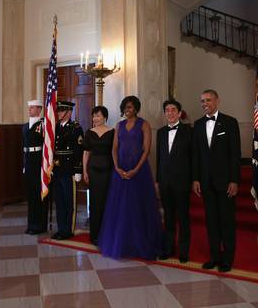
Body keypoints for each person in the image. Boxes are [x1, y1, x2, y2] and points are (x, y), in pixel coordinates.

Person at [98, 95, 162, 260]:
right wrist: (117, 167)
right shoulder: (119, 126)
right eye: (125, 108)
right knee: (121, 209)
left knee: (138, 207)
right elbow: (114, 149)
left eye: (131, 107)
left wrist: (136, 169)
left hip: (139, 172)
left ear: (136, 108)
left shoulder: (144, 124)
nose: (128, 110)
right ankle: (123, 243)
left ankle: (139, 244)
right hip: (120, 171)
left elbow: (146, 150)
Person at [192, 89, 241, 272]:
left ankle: (227, 259)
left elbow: (235, 154)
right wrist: (196, 179)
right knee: (211, 221)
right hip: (205, 182)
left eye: (209, 100)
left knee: (227, 221)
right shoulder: (197, 125)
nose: (205, 103)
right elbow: (195, 155)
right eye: (202, 101)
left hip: (225, 181)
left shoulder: (230, 122)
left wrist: (234, 180)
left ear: (217, 101)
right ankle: (214, 257)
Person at [156, 99, 192, 263]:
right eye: (167, 110)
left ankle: (184, 251)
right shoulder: (161, 132)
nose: (169, 113)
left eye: (173, 110)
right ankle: (168, 248)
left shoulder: (188, 131)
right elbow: (159, 159)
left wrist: (193, 179)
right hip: (165, 182)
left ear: (179, 113)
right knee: (168, 217)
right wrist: (158, 180)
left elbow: (193, 158)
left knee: (183, 217)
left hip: (182, 181)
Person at [82, 106, 114, 245]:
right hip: (93, 170)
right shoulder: (89, 133)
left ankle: (107, 233)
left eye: (98, 116)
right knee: (95, 202)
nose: (95, 118)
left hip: (108, 169)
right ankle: (94, 234)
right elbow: (86, 153)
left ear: (105, 117)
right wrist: (84, 171)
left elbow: (115, 152)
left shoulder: (113, 132)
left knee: (107, 201)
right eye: (94, 116)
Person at [51, 100, 83, 240]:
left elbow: (78, 150)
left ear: (69, 112)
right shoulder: (56, 127)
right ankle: (61, 228)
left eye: (61, 111)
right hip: (57, 169)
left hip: (69, 169)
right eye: (58, 111)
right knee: (59, 201)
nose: (58, 113)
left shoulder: (75, 128)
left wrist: (78, 170)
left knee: (69, 200)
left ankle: (68, 230)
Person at [22, 99, 48, 235]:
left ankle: (40, 225)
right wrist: (24, 165)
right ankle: (31, 224)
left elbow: (47, 145)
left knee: (39, 194)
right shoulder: (25, 126)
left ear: (39, 110)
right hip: (29, 162)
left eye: (32, 108)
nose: (29, 110)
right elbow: (23, 147)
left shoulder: (43, 125)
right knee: (31, 195)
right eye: (29, 108)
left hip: (39, 161)